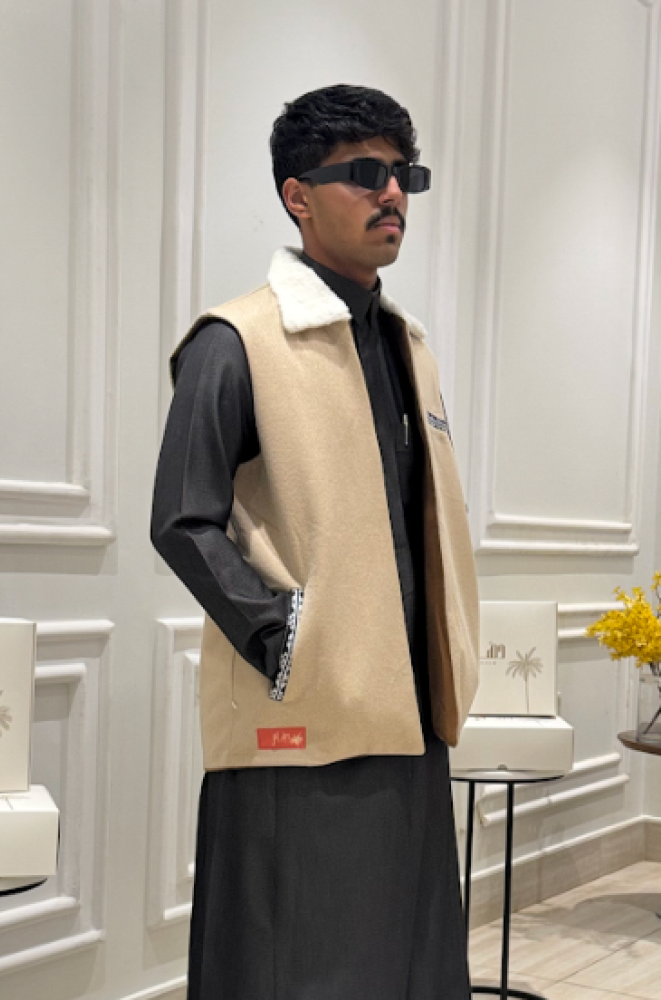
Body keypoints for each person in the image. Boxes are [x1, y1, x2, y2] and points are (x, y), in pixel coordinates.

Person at [151, 83, 479, 1000]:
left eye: (404, 174)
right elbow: (182, 517)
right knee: (296, 964)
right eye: (365, 173)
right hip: (300, 726)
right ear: (298, 195)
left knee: (406, 963)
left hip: (411, 715)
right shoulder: (237, 339)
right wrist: (284, 639)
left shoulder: (409, 348)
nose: (393, 193)